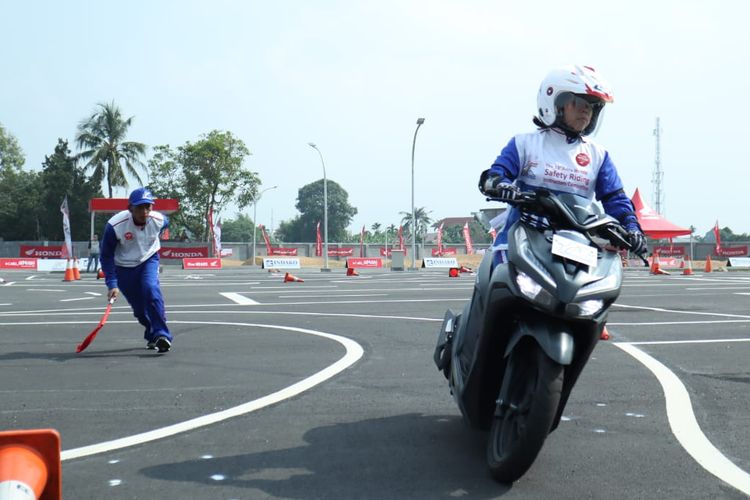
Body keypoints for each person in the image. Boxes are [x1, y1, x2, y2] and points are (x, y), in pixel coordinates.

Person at [479, 64, 647, 259]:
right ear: (555, 103)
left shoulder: (598, 155)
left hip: (575, 248)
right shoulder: (524, 143)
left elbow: (615, 199)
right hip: (521, 242)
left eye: (592, 106)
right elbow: (496, 175)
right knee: (496, 275)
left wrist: (632, 228)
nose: (586, 111)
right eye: (578, 102)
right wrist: (501, 185)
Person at [99, 187, 173, 353]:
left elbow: (166, 223)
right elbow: (106, 256)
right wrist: (112, 283)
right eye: (140, 207)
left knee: (151, 289)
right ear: (130, 208)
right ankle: (152, 332)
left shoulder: (159, 220)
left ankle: (162, 335)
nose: (145, 211)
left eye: (148, 206)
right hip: (123, 267)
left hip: (148, 260)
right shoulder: (115, 226)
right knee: (139, 310)